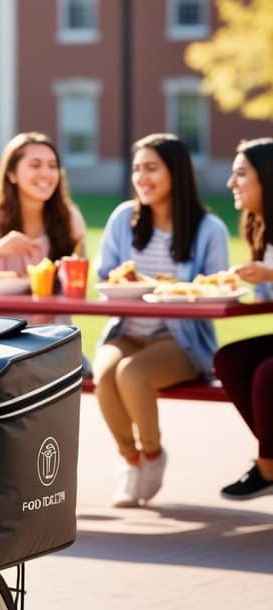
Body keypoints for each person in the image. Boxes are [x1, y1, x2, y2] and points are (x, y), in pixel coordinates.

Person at [93, 133, 230, 508]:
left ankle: (152, 455)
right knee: (102, 375)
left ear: (177, 173)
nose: (142, 177)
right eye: (137, 169)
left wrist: (174, 289)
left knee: (131, 375)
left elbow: (217, 288)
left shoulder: (208, 230)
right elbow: (105, 276)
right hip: (127, 330)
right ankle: (131, 461)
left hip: (179, 340)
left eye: (151, 168)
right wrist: (125, 280)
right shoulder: (124, 218)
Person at [0, 131, 87, 324]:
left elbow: (75, 287)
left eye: (53, 166)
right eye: (35, 165)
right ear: (11, 174)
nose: (46, 173)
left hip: (54, 335)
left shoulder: (70, 218)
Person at [214, 137, 273, 500]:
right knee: (230, 360)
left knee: (269, 374)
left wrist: (268, 276)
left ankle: (267, 467)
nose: (230, 183)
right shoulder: (261, 228)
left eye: (240, 174)